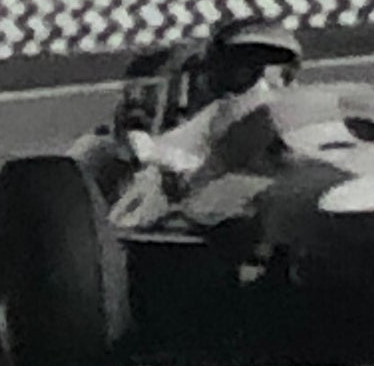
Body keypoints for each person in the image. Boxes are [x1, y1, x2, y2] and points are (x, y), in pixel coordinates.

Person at [110, 20, 304, 231]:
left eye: (276, 75)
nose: (261, 88)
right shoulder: (175, 151)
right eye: (246, 73)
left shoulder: (304, 130)